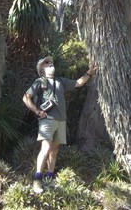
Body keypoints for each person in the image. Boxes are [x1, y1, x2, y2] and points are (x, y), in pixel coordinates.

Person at [22, 55, 96, 194]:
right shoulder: (40, 81)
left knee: (54, 150)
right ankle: (37, 179)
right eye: (46, 63)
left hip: (61, 121)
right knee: (46, 147)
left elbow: (78, 83)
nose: (50, 64)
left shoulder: (60, 81)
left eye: (51, 62)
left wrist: (89, 73)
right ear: (41, 68)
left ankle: (49, 178)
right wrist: (38, 111)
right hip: (47, 120)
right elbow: (26, 97)